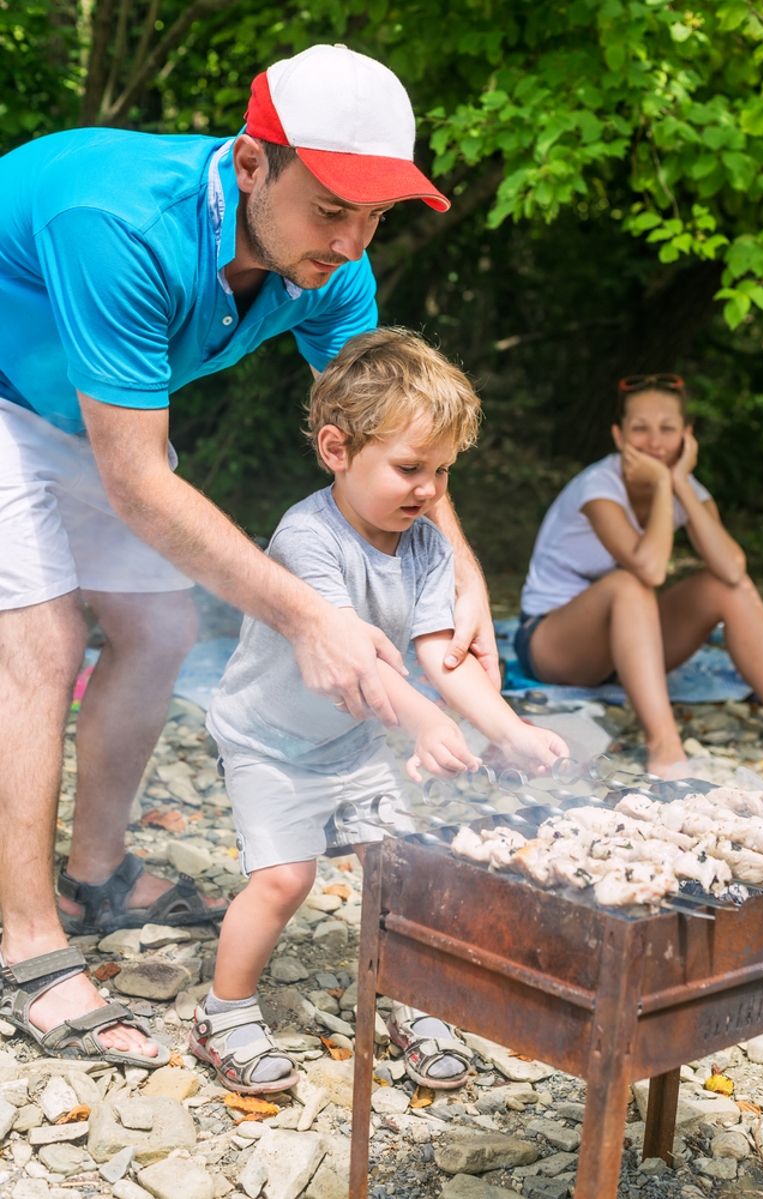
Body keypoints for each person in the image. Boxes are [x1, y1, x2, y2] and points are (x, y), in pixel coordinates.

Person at [0, 45, 499, 1066]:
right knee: (42, 641)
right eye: (330, 209)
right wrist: (309, 613)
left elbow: (395, 421)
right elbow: (139, 480)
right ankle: (30, 949)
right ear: (249, 165)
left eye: (373, 216)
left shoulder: (332, 263)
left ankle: (94, 877)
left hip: (81, 408)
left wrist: (458, 568)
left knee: (161, 623)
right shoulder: (121, 226)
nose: (353, 241)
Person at [192, 328, 568, 1093]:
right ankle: (222, 1013)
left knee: (402, 868)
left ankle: (410, 996)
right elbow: (357, 661)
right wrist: (427, 723)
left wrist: (508, 728)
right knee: (284, 879)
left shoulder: (427, 544)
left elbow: (440, 656)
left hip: (354, 738)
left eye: (441, 471)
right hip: (270, 740)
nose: (428, 489)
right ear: (336, 448)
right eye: (408, 468)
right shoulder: (308, 539)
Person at [516, 373, 763, 779]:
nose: (654, 442)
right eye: (640, 429)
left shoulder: (687, 488)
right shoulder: (599, 486)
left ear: (687, 436)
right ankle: (664, 746)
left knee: (725, 587)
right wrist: (666, 482)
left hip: (632, 647)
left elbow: (733, 570)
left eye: (667, 429)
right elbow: (648, 569)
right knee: (631, 583)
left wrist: (678, 483)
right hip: (555, 644)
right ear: (618, 436)